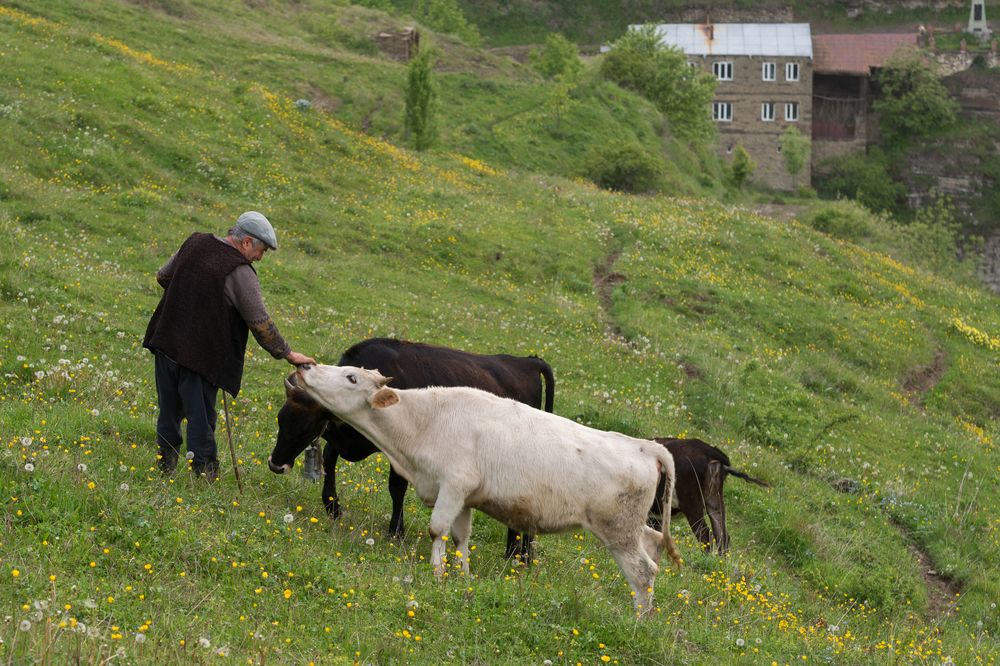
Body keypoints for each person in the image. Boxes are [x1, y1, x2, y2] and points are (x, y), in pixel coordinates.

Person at [143, 211, 316, 480]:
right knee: (201, 419)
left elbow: (164, 277)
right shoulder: (239, 270)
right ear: (246, 242)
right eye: (261, 251)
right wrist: (288, 354)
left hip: (166, 341)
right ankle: (204, 476)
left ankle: (164, 469)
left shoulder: (195, 242)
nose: (260, 257)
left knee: (169, 412)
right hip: (199, 355)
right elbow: (260, 323)